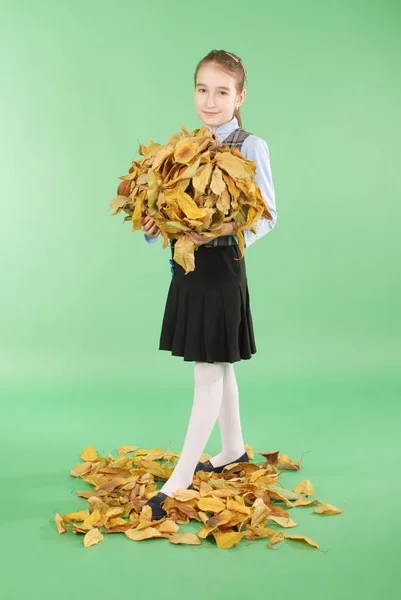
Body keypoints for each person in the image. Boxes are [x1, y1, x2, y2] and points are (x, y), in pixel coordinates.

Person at [140, 49, 277, 519]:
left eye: (222, 91)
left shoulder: (248, 144)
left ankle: (179, 480)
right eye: (203, 89)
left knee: (208, 367)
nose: (211, 100)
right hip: (189, 267)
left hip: (222, 269)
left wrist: (219, 233)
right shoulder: (188, 144)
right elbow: (174, 204)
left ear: (240, 96)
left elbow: (267, 215)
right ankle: (232, 448)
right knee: (220, 365)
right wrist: (158, 222)